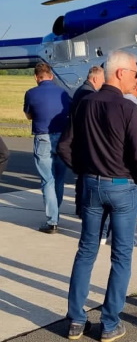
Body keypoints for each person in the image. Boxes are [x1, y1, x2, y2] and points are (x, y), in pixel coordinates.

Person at [58, 50, 137, 342]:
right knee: (121, 256)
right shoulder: (127, 108)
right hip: (123, 187)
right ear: (121, 73)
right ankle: (109, 324)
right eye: (135, 73)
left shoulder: (83, 104)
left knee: (86, 251)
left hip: (91, 185)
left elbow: (64, 146)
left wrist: (84, 169)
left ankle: (76, 320)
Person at [23, 62, 71, 234]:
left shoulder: (31, 93)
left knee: (47, 180)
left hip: (43, 137)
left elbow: (29, 115)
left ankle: (52, 220)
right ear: (51, 76)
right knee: (59, 178)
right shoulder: (63, 93)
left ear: (36, 77)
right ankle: (55, 213)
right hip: (62, 138)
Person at [71, 66, 105, 218]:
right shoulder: (88, 93)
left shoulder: (82, 90)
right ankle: (82, 207)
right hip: (83, 142)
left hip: (79, 141)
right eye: (103, 80)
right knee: (85, 178)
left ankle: (80, 206)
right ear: (96, 78)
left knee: (82, 177)